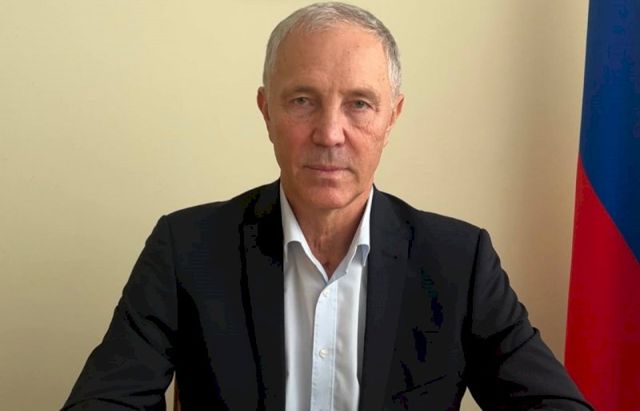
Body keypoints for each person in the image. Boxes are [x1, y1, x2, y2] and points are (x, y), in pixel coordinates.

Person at [62, 2, 593, 410]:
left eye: (359, 103)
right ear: (266, 112)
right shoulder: (185, 249)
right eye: (303, 101)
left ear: (391, 118)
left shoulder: (459, 261)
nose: (330, 133)